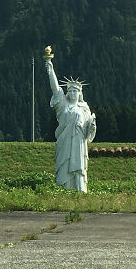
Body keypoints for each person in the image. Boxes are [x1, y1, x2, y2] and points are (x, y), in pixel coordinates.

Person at [45, 58, 96, 192]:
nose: (73, 93)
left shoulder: (84, 107)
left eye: (76, 91)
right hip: (65, 141)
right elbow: (56, 89)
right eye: (71, 91)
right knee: (65, 164)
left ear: (80, 93)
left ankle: (80, 190)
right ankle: (65, 190)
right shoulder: (63, 105)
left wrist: (92, 127)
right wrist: (51, 71)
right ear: (68, 92)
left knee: (79, 166)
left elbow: (88, 128)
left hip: (79, 142)